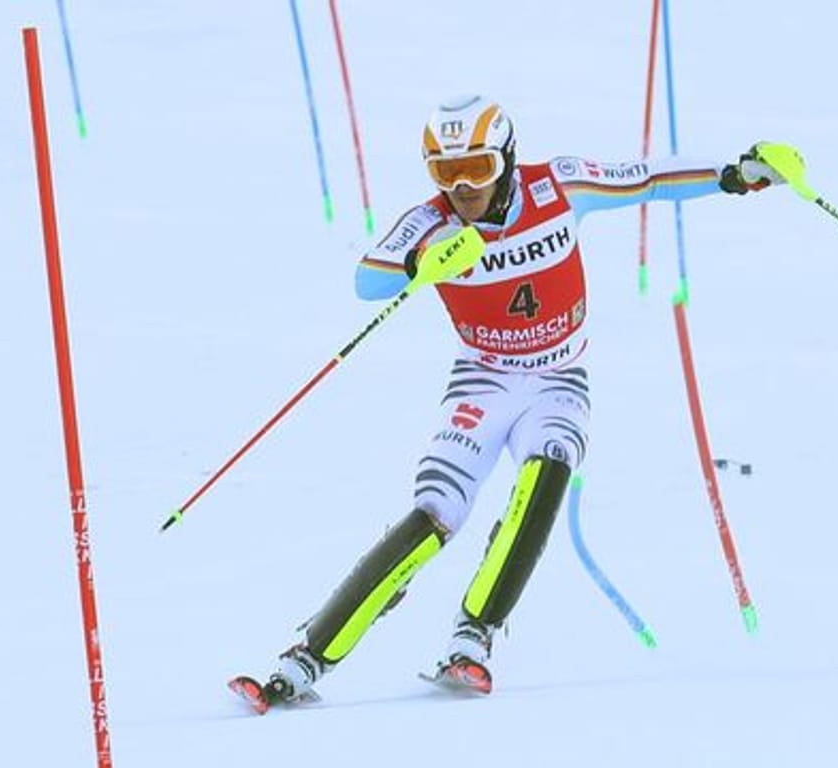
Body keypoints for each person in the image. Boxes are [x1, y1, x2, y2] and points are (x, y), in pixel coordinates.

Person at [234, 94, 793, 709]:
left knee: (548, 469)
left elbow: (649, 179)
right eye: (446, 173)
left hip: (557, 380)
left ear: (506, 157)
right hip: (482, 382)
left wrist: (736, 174)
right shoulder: (431, 222)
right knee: (434, 516)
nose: (464, 186)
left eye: (477, 167)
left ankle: (473, 638)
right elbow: (368, 278)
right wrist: (423, 260)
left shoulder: (557, 187)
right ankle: (307, 658)